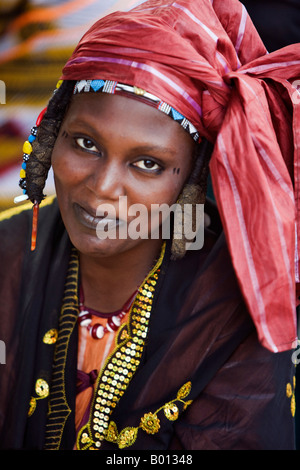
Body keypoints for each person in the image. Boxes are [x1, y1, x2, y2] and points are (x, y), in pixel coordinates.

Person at [0, 0, 299, 450]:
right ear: (51, 134)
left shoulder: (235, 311)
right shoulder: (7, 254)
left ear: (193, 179)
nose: (102, 187)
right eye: (85, 143)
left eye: (147, 163)